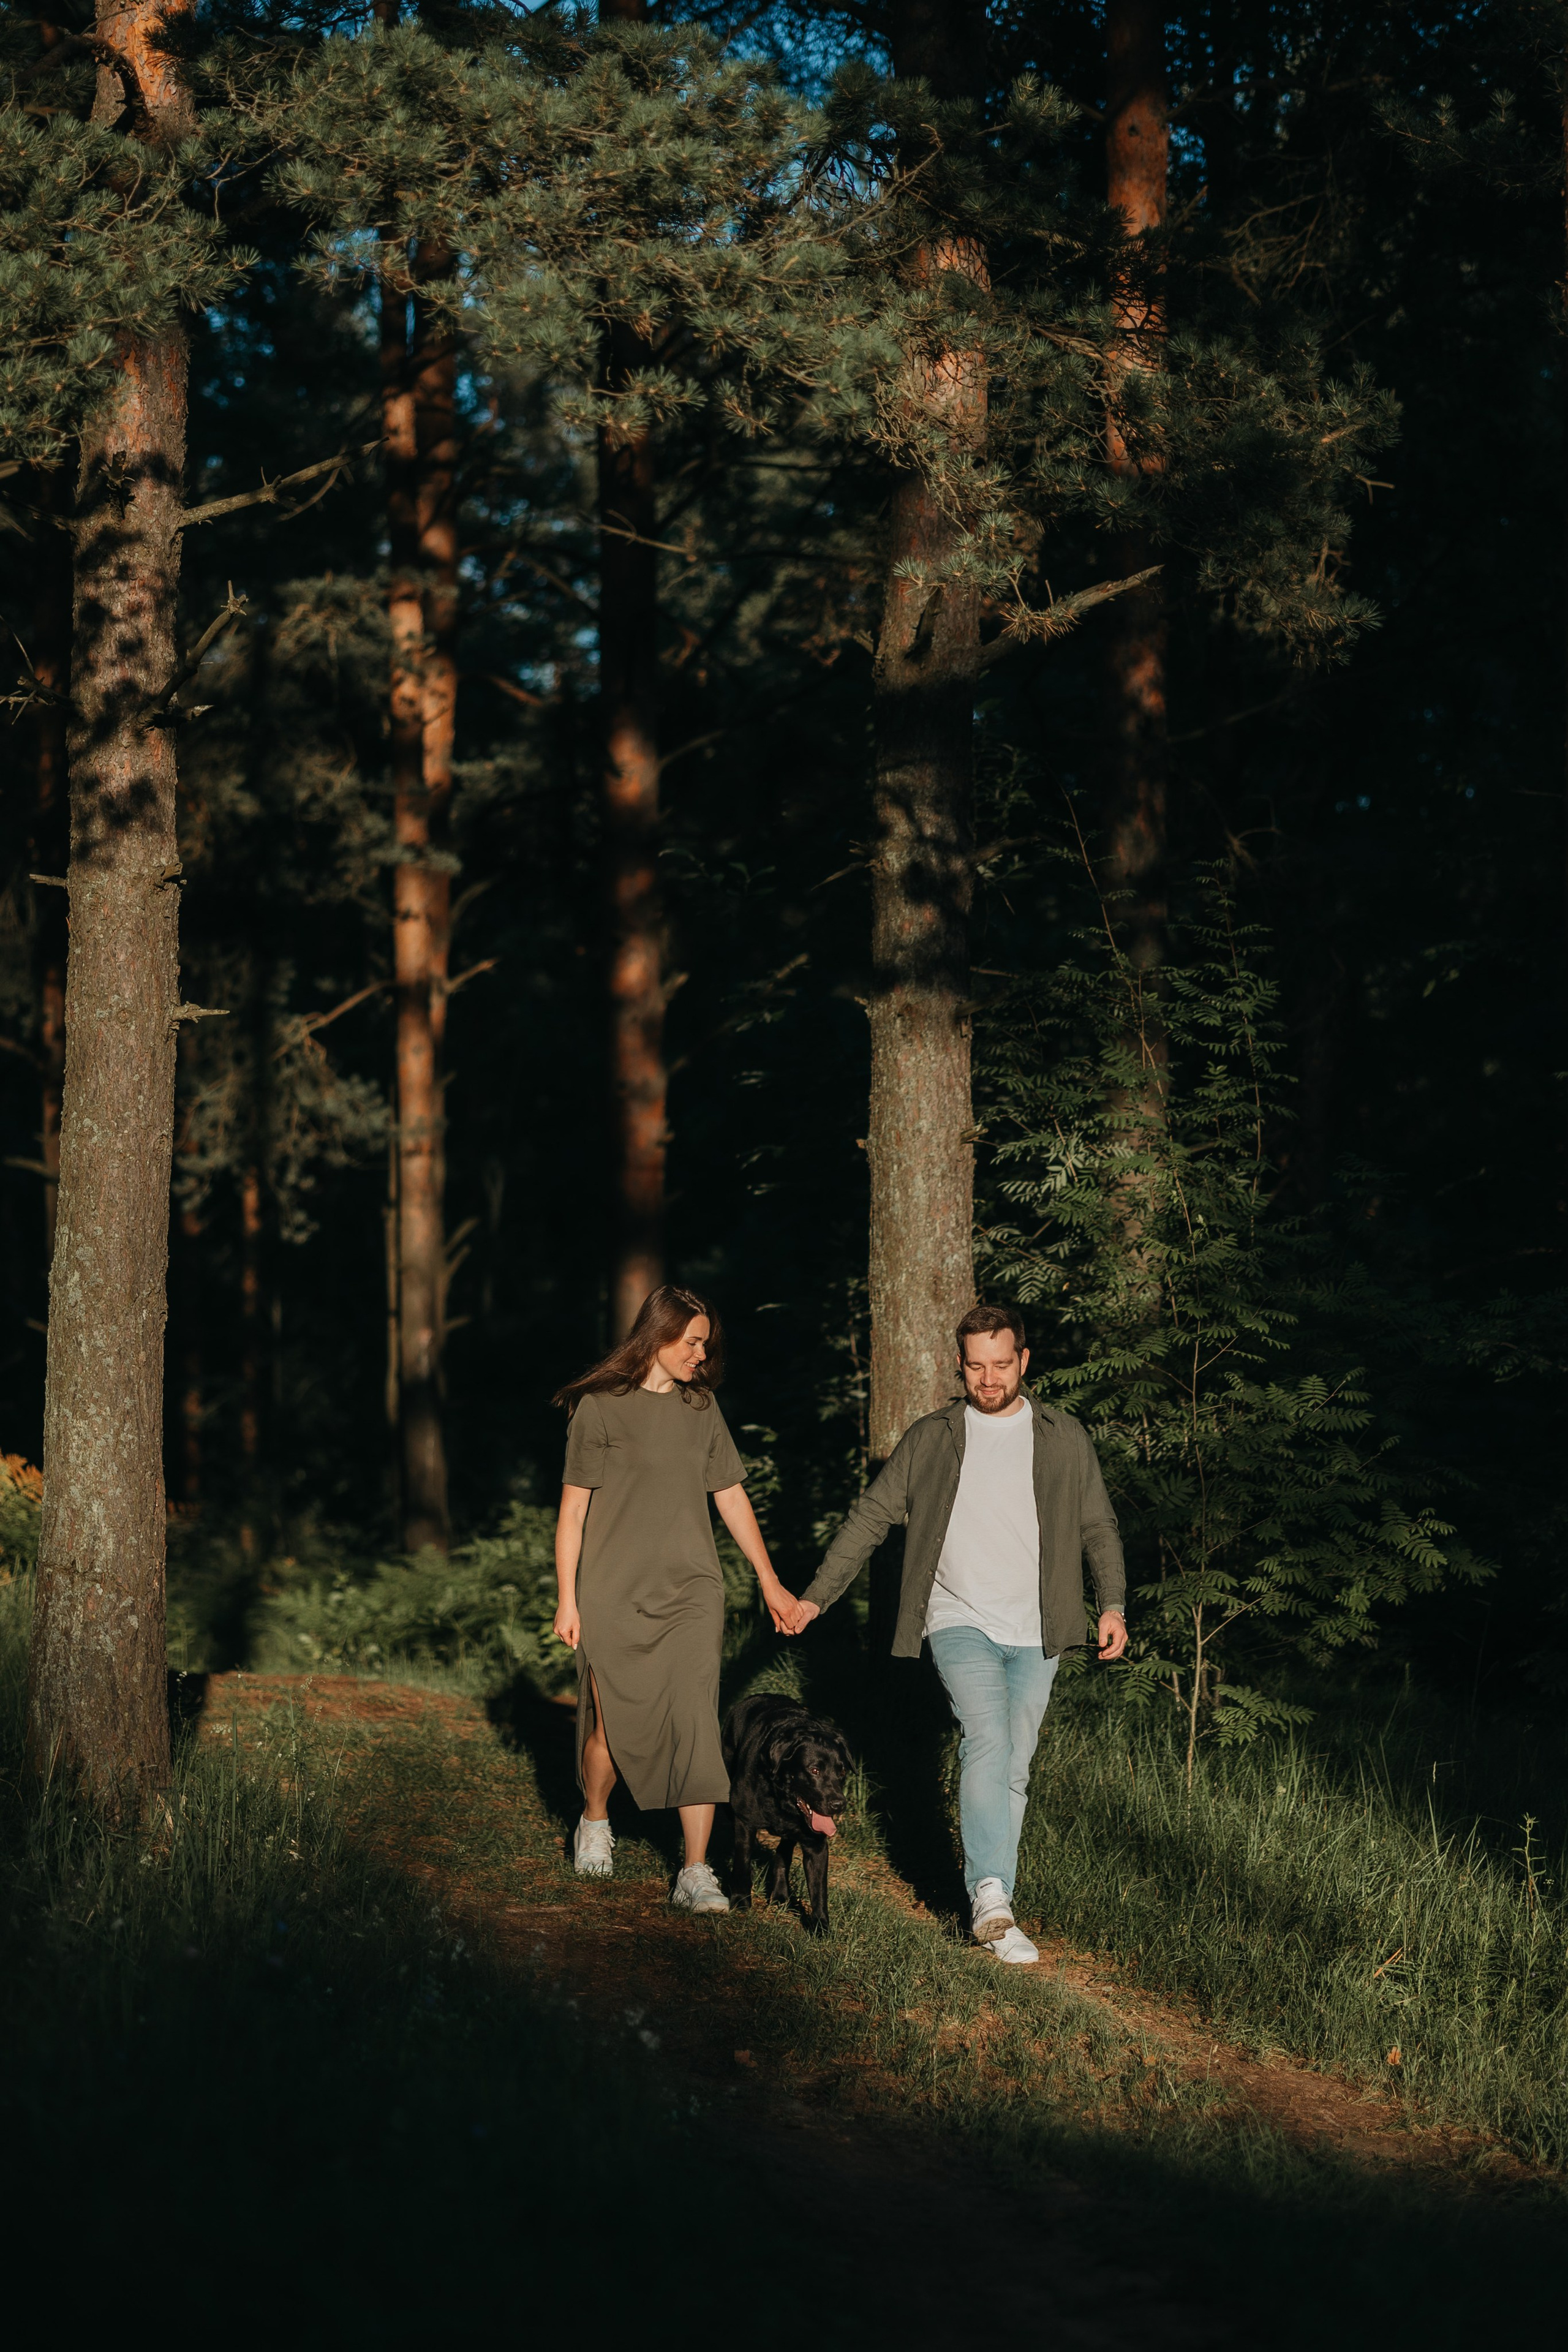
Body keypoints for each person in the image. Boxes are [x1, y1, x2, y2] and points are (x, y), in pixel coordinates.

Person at [792, 1303, 1127, 1963]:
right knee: (987, 1736)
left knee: (1015, 1766)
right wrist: (815, 1597)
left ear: (1024, 1361)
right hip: (957, 1617)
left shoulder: (1062, 1437)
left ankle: (995, 1894)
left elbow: (1097, 1526)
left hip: (1040, 1624)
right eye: (976, 1366)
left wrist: (1111, 1603)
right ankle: (991, 1898)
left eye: (1002, 1364)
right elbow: (869, 1518)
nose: (990, 1378)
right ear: (960, 1365)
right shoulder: (933, 1438)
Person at [552, 1284, 800, 1913]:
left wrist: (768, 1579)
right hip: (613, 1592)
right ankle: (596, 1819)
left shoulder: (700, 1408)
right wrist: (567, 1599)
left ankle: (695, 1871)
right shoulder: (598, 1409)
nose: (701, 1355)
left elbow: (731, 1495)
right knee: (612, 1726)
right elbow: (573, 1512)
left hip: (693, 1590)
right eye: (692, 1342)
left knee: (693, 1723)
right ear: (657, 1336)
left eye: (705, 1344)